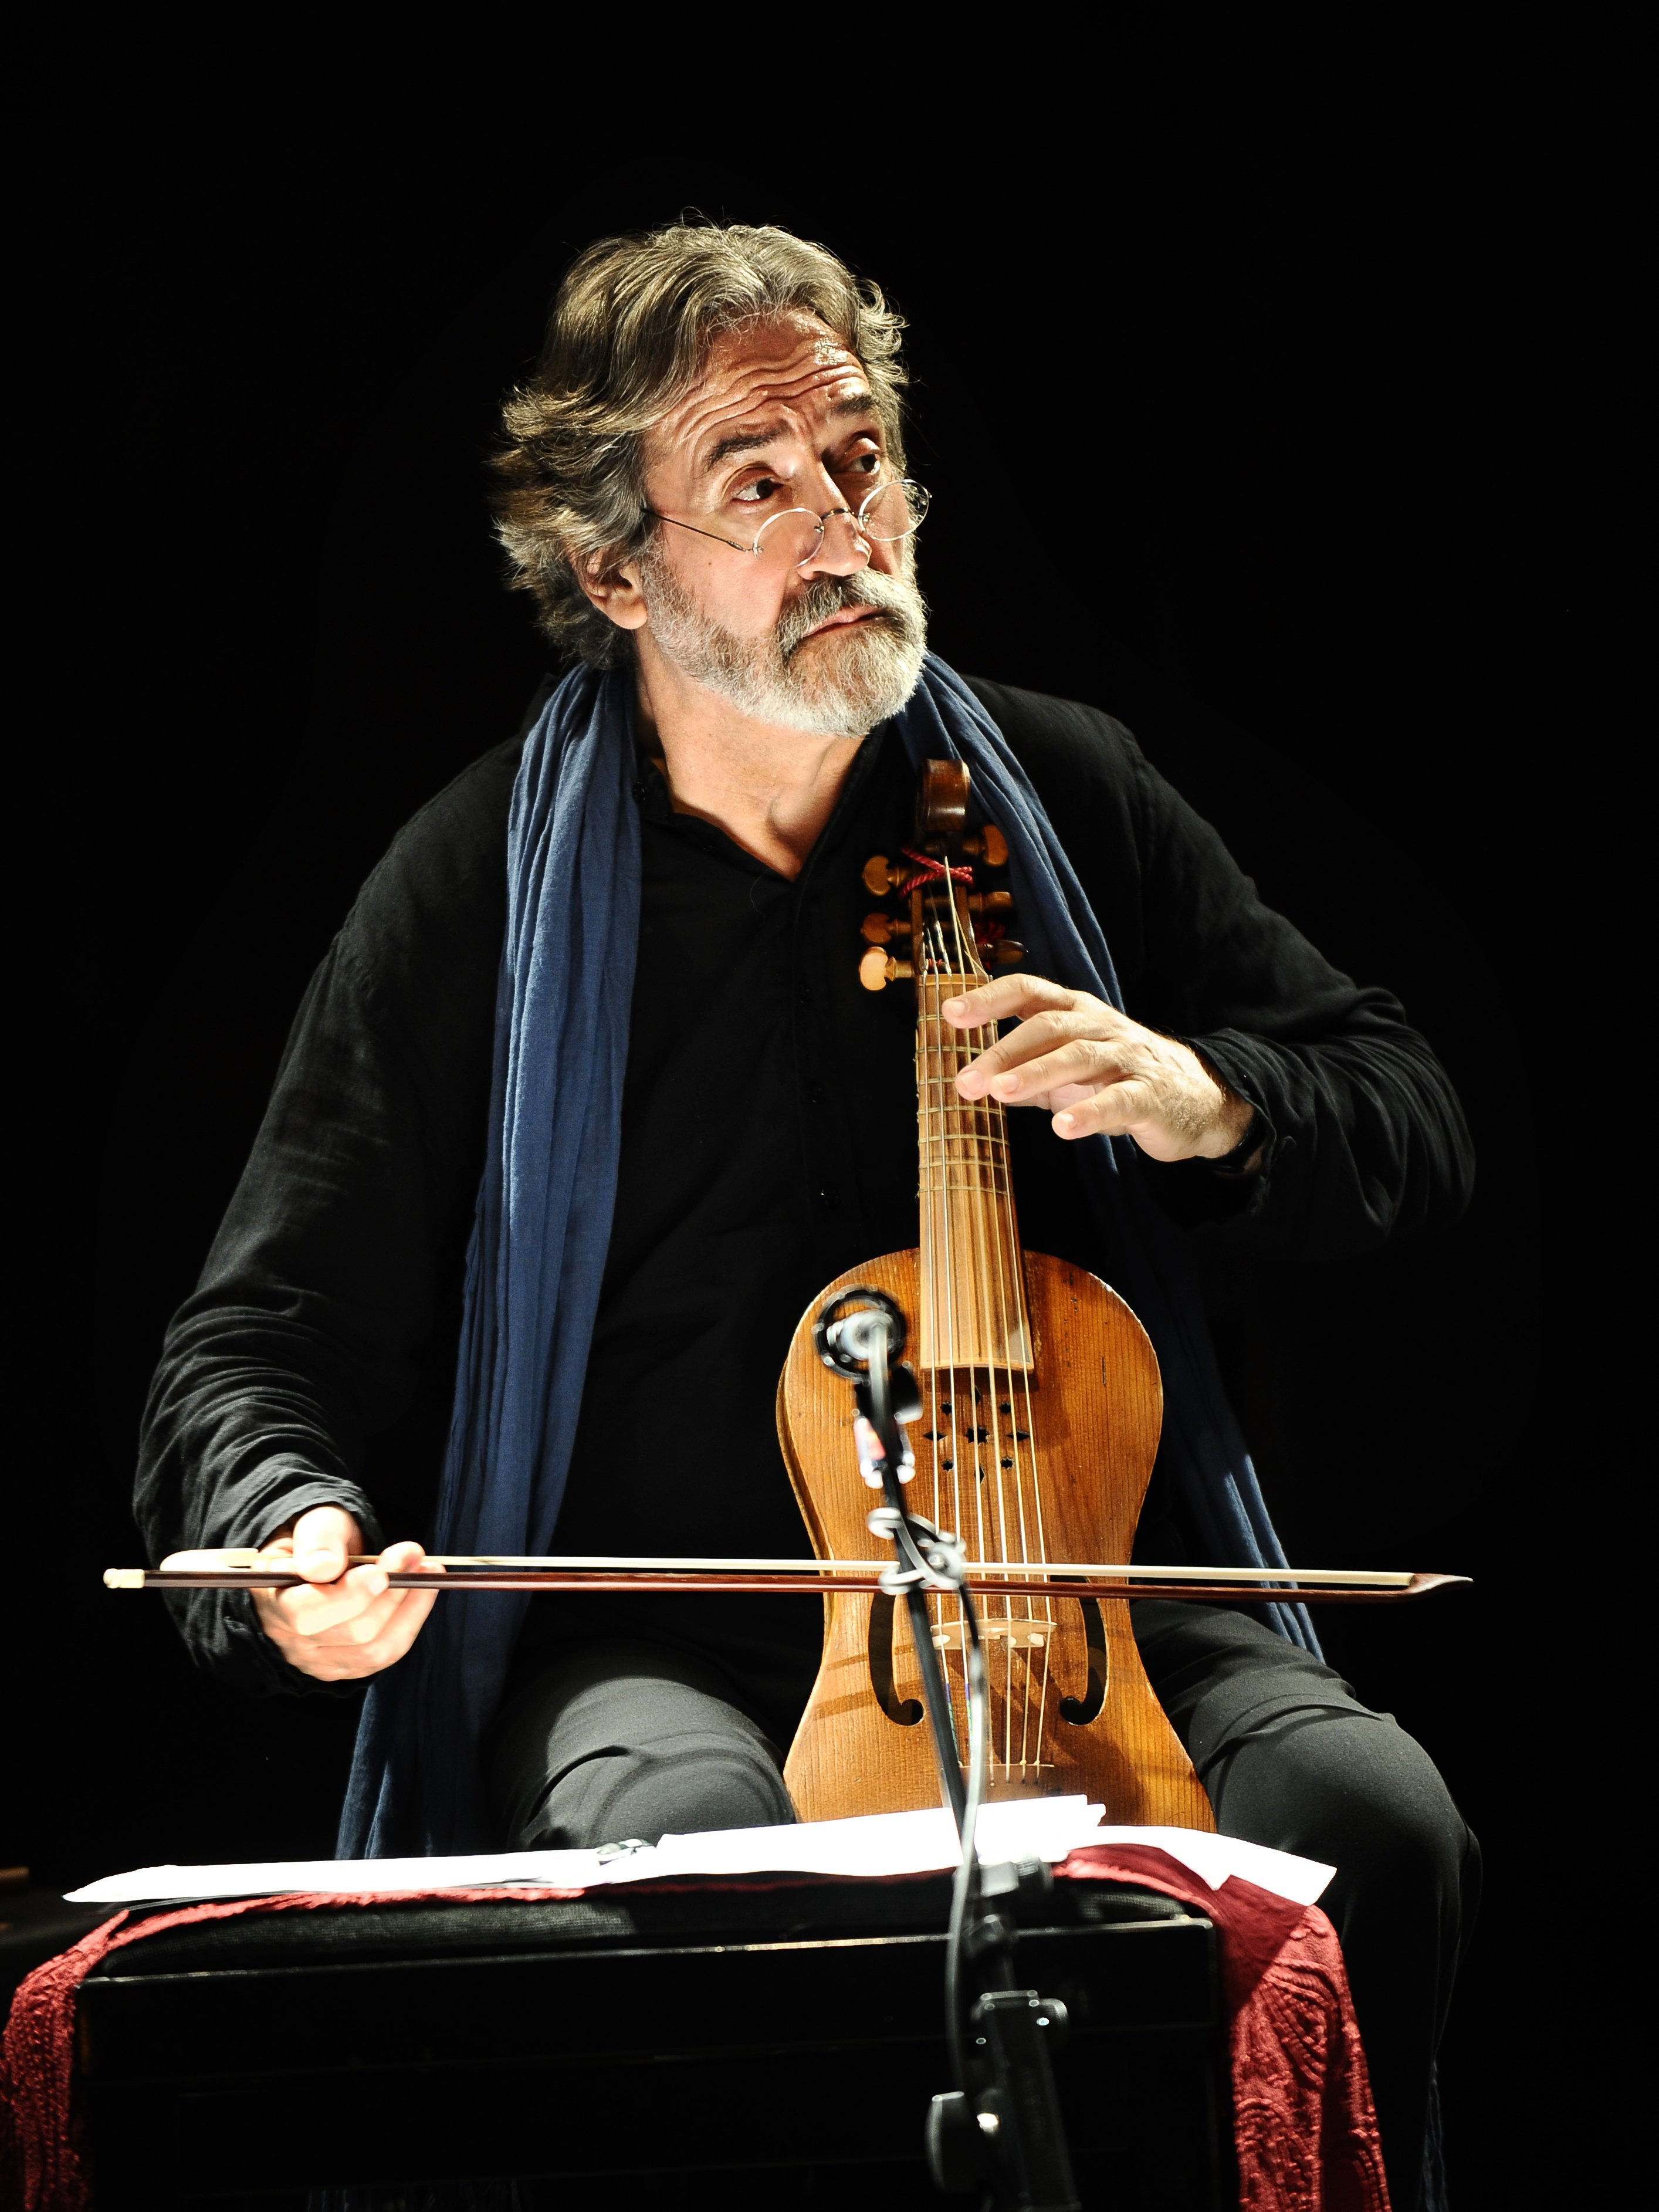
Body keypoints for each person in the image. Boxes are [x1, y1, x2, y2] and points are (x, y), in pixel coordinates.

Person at [137, 221, 1478, 2204]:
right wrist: (290, 1535)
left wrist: (1208, 1099)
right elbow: (251, 1341)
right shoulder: (465, 896)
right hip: (689, 1635)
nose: (842, 522)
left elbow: (1407, 1115)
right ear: (617, 570)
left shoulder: (1062, 793)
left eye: (858, 458)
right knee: (706, 1858)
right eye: (756, 484)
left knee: (1373, 1811)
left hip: (1072, 1585)